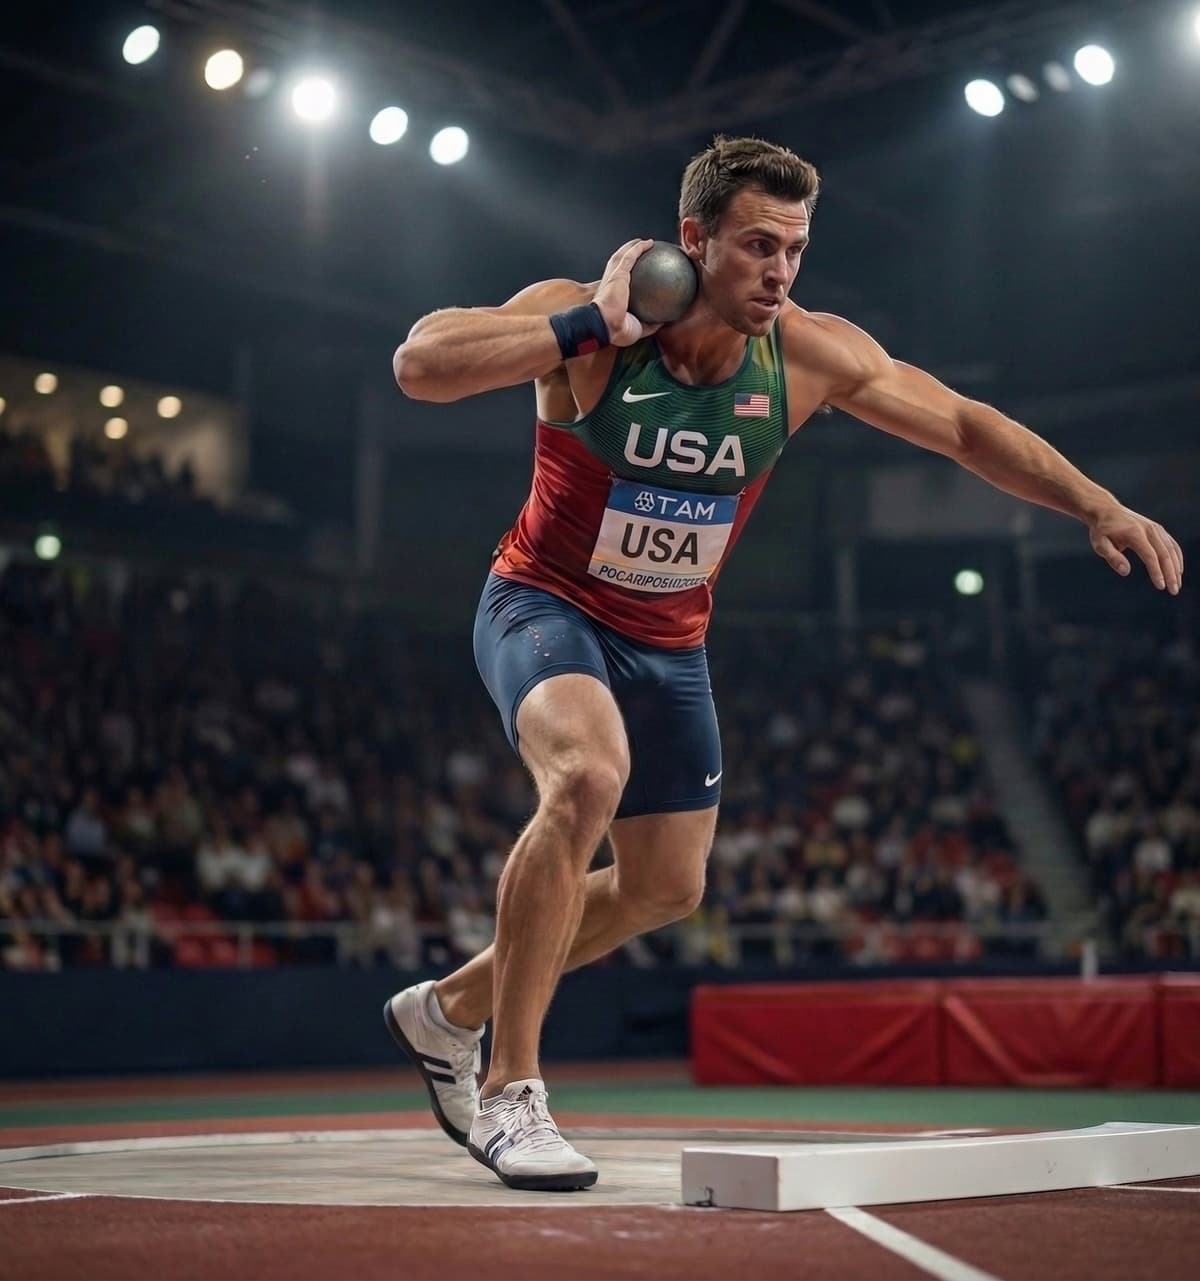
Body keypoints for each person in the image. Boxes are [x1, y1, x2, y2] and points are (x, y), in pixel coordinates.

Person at [383, 134, 1184, 1192]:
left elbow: (963, 428)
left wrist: (1096, 501)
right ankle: (512, 1092)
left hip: (671, 640)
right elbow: (420, 363)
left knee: (668, 888)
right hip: (545, 604)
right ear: (694, 240)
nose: (779, 271)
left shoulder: (809, 354)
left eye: (796, 249)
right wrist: (588, 321)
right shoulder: (595, 326)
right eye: (758, 245)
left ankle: (447, 1011)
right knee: (586, 777)